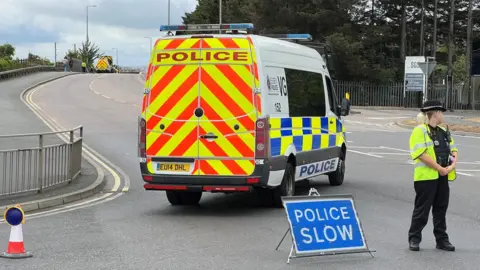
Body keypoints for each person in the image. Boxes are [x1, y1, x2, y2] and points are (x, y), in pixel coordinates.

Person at [408, 100, 458, 252]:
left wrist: (452, 165)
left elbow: (453, 150)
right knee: (422, 209)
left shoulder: (443, 131)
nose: (442, 115)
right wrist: (439, 168)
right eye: (441, 112)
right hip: (426, 178)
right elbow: (421, 154)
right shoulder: (420, 130)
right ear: (435, 113)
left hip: (442, 176)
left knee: (440, 209)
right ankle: (414, 239)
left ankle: (442, 240)